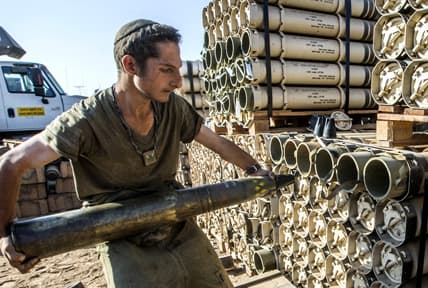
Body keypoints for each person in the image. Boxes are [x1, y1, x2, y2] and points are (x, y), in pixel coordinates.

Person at [0, 19, 272, 287]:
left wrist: (253, 170)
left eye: (177, 69)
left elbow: (219, 143)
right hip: (119, 233)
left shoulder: (172, 108)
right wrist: (5, 235)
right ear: (130, 65)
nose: (177, 81)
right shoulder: (87, 120)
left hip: (173, 219)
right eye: (167, 70)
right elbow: (11, 163)